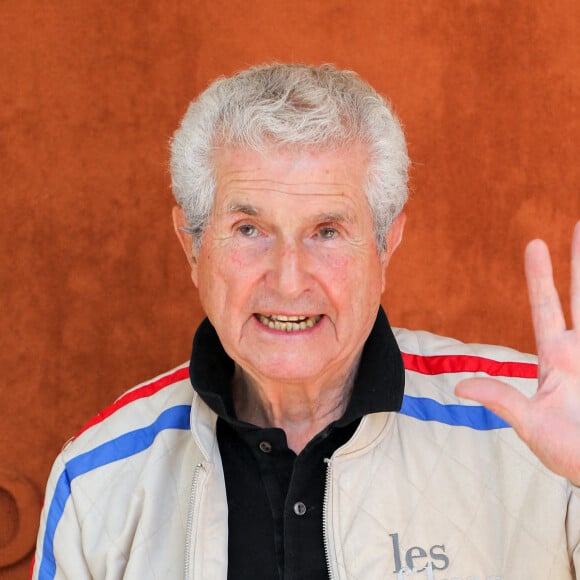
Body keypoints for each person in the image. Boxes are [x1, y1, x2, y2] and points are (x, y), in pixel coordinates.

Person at [32, 64, 579, 580]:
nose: (289, 280)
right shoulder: (96, 479)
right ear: (192, 245)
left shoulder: (543, 426)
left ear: (386, 245)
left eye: (327, 231)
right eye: (249, 229)